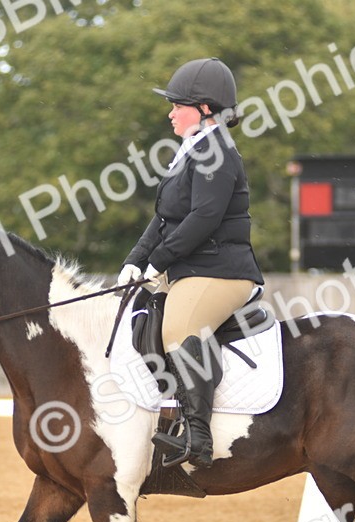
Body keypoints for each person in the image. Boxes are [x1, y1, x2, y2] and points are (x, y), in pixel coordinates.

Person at [118, 57, 264, 468]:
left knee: (179, 328)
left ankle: (198, 435)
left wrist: (158, 262)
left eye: (177, 105)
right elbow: (164, 218)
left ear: (204, 109)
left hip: (223, 271)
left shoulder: (217, 152)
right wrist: (135, 261)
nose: (170, 113)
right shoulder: (190, 152)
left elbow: (204, 219)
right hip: (193, 269)